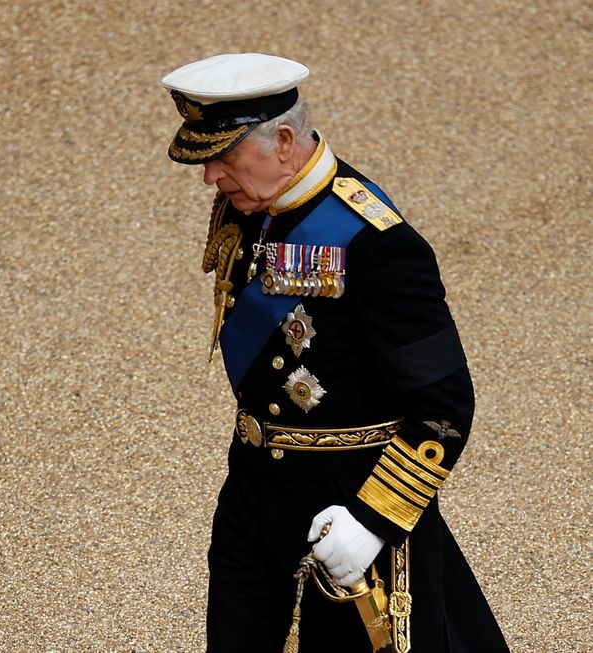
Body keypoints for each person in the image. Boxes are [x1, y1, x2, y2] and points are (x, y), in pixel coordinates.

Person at [161, 53, 509, 653]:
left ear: (285, 141)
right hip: (251, 492)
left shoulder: (379, 245)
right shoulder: (253, 206)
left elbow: (444, 406)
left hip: (344, 506)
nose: (210, 177)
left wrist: (374, 520)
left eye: (223, 157)